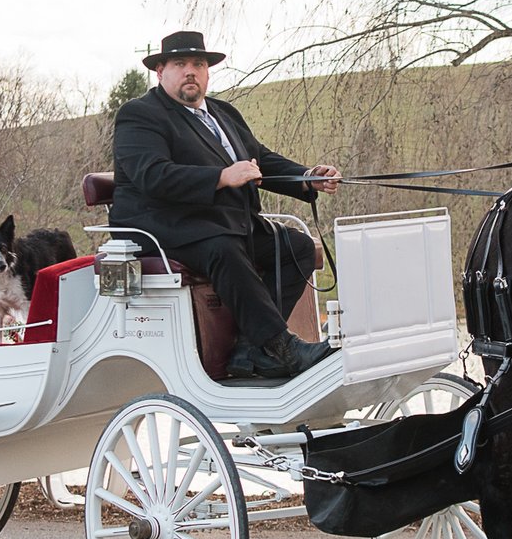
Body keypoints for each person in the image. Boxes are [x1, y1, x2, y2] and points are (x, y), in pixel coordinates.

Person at [111, 30, 342, 381]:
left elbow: (259, 160)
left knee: (297, 248)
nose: (191, 71)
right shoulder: (140, 115)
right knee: (224, 248)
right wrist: (221, 177)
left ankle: (251, 349)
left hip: (223, 221)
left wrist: (306, 177)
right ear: (161, 72)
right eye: (180, 64)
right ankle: (282, 348)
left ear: (207, 72)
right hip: (164, 225)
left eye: (198, 64)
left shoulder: (223, 113)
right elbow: (153, 176)